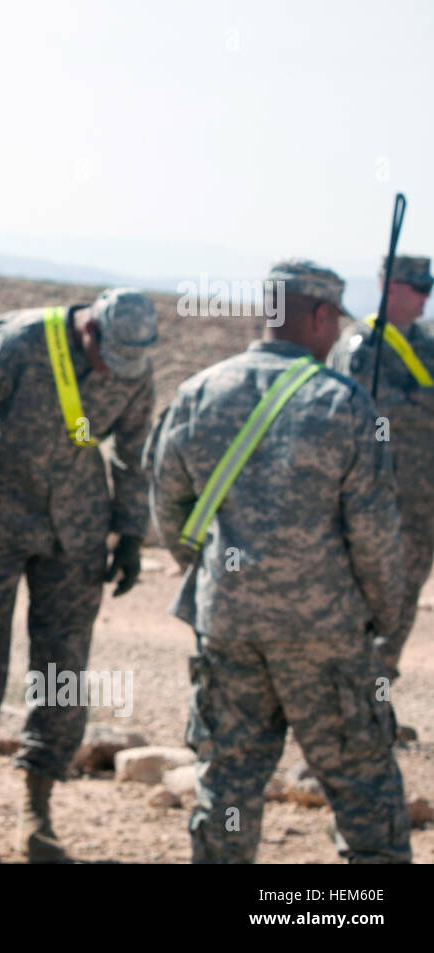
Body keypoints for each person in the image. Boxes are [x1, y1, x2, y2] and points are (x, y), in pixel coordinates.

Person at [147, 259, 410, 863]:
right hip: (324, 634)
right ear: (319, 315)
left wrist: (211, 570)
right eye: (333, 320)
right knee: (363, 785)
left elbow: (169, 505)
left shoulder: (200, 391)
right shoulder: (343, 401)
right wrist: (383, 614)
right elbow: (374, 532)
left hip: (230, 625)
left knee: (229, 781)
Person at [0, 288, 158, 861]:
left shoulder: (134, 360)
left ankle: (39, 813)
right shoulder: (20, 342)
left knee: (63, 667)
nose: (112, 372)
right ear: (89, 329)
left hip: (77, 524)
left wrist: (129, 532)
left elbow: (134, 447)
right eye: (106, 357)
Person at [328, 254, 434, 683]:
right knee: (363, 600)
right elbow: (372, 410)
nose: (427, 296)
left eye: (429, 287)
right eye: (419, 286)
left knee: (402, 605)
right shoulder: (362, 345)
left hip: (422, 503)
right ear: (389, 286)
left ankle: (378, 701)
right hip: (375, 500)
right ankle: (349, 699)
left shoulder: (426, 345)